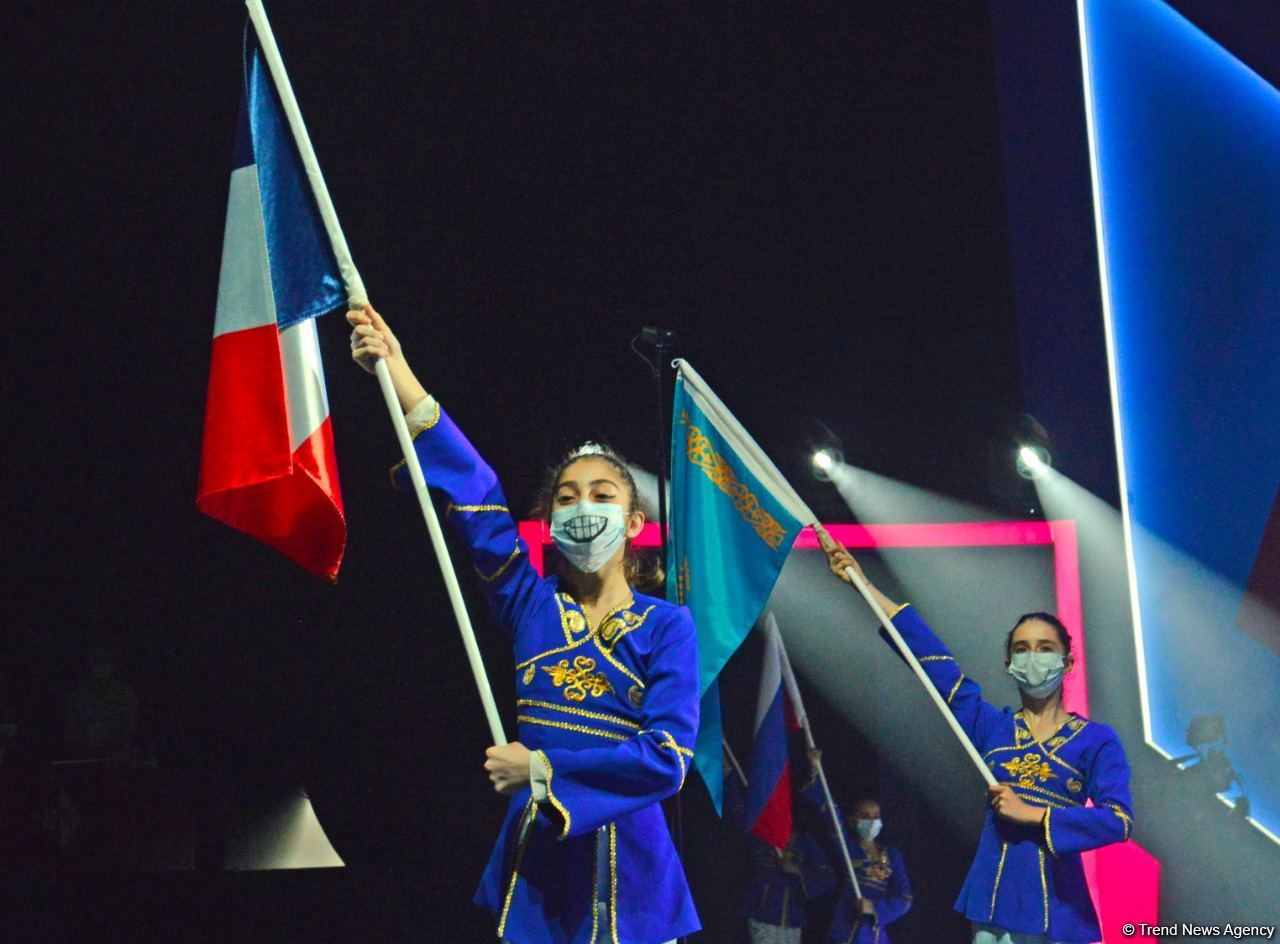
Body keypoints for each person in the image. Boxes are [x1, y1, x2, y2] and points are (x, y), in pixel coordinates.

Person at [349, 304, 700, 944]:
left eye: (601, 495)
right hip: (541, 871)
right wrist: (397, 371)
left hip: (635, 880)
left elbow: (669, 759)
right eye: (565, 497)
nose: (582, 507)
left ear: (634, 522)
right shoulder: (531, 606)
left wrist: (540, 771)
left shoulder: (667, 625)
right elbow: (477, 498)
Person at [822, 541, 1133, 944]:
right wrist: (862, 583)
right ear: (1009, 665)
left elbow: (1118, 821)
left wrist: (1035, 814)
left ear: (1068, 662)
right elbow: (934, 663)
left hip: (1057, 909)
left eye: (1045, 649)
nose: (1032, 658)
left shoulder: (1095, 740)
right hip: (992, 904)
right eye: (1021, 650)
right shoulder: (993, 727)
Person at [801, 758, 911, 944]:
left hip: (875, 933)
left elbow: (905, 898)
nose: (872, 820)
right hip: (847, 928)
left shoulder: (892, 854)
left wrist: (875, 909)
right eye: (865, 816)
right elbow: (832, 815)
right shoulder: (848, 847)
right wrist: (816, 773)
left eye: (876, 816)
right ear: (853, 821)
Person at [744, 825, 834, 944]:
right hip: (761, 909)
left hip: (792, 914)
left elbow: (827, 876)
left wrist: (797, 870)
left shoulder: (803, 840)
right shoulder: (756, 835)